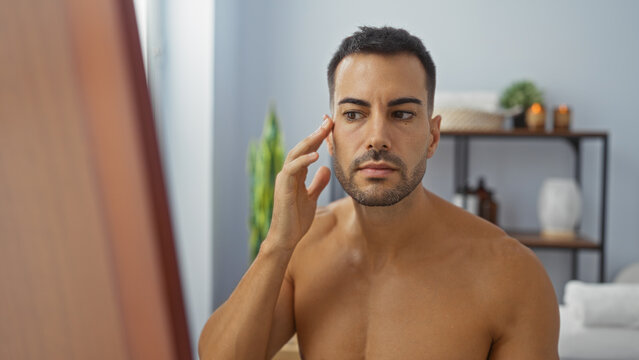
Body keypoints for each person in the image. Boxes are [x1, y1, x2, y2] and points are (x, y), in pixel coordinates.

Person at [199, 26, 559, 359]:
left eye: (401, 114)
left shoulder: (512, 275)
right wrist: (277, 244)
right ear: (330, 135)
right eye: (354, 114)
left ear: (432, 137)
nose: (376, 138)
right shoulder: (302, 247)